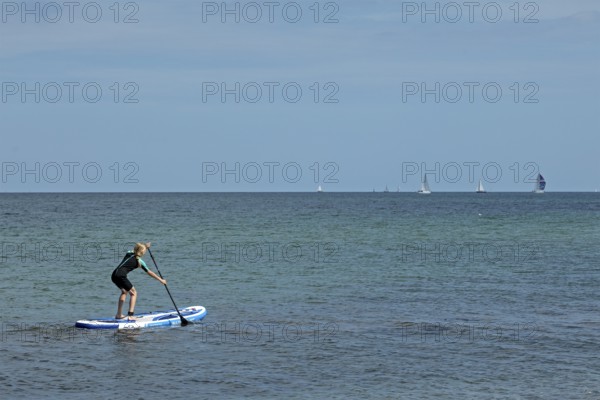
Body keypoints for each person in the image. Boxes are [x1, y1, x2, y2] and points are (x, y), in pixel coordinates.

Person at [111, 242, 166, 320]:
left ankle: (118, 315)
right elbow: (150, 272)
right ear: (143, 252)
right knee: (134, 293)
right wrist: (161, 280)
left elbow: (136, 251)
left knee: (124, 292)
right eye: (145, 251)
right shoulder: (140, 262)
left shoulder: (129, 253)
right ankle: (130, 315)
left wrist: (145, 247)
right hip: (121, 276)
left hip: (114, 275)